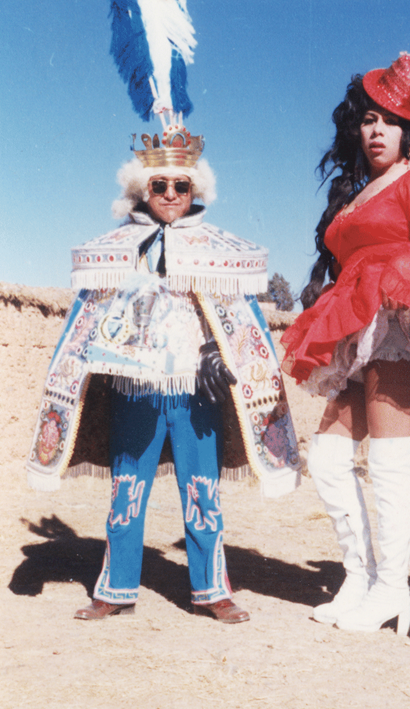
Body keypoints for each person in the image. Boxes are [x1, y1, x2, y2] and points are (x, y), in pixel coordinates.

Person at [26, 123, 300, 622]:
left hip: (197, 392)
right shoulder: (117, 250)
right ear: (141, 188)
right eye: (160, 186)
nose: (171, 195)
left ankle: (212, 588)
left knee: (202, 489)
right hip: (135, 389)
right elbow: (86, 322)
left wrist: (223, 353)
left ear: (196, 189)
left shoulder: (217, 250)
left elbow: (238, 319)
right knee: (127, 490)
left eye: (181, 186)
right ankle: (115, 589)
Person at [281, 52, 410, 634]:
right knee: (331, 459)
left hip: (393, 331)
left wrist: (385, 280)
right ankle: (359, 577)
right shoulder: (365, 189)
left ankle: (392, 589)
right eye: (368, 120)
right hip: (355, 330)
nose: (375, 131)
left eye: (388, 122)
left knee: (389, 465)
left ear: (409, 131)